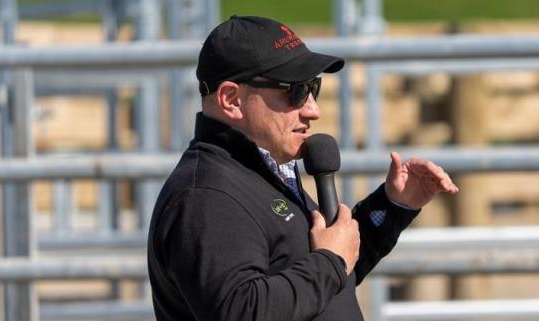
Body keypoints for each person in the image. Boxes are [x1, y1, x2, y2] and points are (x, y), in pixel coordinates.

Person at [147, 15, 459, 321]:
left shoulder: (261, 169)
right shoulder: (206, 197)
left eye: (314, 87)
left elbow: (320, 286)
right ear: (231, 99)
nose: (313, 109)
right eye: (294, 91)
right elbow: (242, 311)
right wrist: (329, 261)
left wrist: (391, 206)